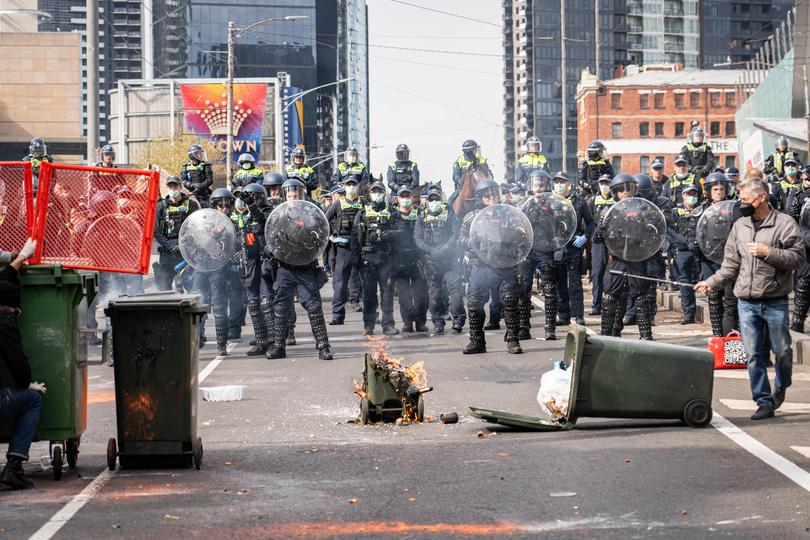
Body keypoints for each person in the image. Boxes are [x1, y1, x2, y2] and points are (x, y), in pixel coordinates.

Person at [696, 177, 805, 420]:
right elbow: (730, 266)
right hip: (746, 301)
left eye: (745, 199)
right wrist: (710, 283)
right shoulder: (740, 226)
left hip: (775, 300)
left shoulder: (785, 223)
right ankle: (763, 402)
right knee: (753, 353)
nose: (741, 203)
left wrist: (770, 253)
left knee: (783, 351)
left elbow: (798, 258)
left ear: (761, 197)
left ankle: (781, 384)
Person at [266, 179, 333, 360]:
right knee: (280, 306)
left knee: (313, 306)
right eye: (290, 194)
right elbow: (270, 236)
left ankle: (323, 346)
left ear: (301, 195)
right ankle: (279, 346)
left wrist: (310, 234)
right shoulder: (278, 215)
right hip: (285, 267)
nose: (293, 197)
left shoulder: (311, 214)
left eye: (296, 194)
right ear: (284, 196)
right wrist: (271, 247)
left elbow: (322, 234)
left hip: (305, 267)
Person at [0, 238, 46, 490]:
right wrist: (27, 384)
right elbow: (15, 359)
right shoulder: (4, 320)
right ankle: (14, 467)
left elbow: (3, 280)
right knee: (32, 400)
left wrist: (19, 259)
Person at [460, 178, 523, 354]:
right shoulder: (471, 217)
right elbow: (461, 239)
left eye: (494, 194)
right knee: (474, 301)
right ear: (480, 198)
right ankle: (477, 341)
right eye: (487, 195)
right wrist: (475, 243)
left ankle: (513, 340)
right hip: (481, 265)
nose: (492, 198)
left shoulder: (510, 214)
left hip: (505, 263)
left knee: (510, 300)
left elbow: (523, 235)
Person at [595, 174, 657, 340]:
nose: (625, 192)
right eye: (621, 190)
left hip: (637, 259)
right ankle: (607, 336)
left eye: (628, 188)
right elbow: (596, 238)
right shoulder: (607, 212)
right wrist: (602, 226)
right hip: (616, 259)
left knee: (641, 298)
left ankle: (646, 337)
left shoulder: (642, 209)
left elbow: (653, 234)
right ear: (616, 192)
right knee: (610, 298)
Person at [414, 185, 464, 334]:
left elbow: (456, 234)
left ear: (441, 200)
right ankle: (437, 321)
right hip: (431, 261)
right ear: (427, 201)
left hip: (450, 260)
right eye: (431, 199)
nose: (434, 201)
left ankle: (458, 320)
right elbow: (417, 238)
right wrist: (431, 250)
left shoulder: (449, 213)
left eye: (437, 199)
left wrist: (444, 249)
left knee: (455, 291)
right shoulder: (422, 216)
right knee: (435, 294)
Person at [192, 188, 236, 355]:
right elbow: (192, 238)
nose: (223, 208)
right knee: (197, 305)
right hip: (200, 266)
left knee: (219, 305)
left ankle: (221, 344)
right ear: (214, 205)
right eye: (220, 205)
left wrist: (222, 233)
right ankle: (197, 339)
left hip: (219, 268)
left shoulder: (231, 223)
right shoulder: (203, 221)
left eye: (226, 204)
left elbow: (232, 246)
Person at [352, 182, 398, 335]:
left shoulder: (392, 212)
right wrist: (355, 258)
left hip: (386, 260)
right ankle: (368, 325)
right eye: (374, 192)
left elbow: (402, 233)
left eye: (380, 191)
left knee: (387, 294)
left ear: (384, 194)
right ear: (370, 194)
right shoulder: (362, 213)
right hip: (367, 261)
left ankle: (388, 325)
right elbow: (354, 237)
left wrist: (392, 234)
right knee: (368, 294)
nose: (377, 194)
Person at [231, 183, 272, 356]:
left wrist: (253, 206)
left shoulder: (267, 211)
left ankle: (274, 341)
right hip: (248, 264)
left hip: (264, 262)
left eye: (251, 197)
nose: (246, 202)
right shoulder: (240, 217)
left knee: (267, 303)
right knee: (253, 303)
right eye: (245, 199)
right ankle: (261, 340)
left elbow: (264, 222)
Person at [518, 170, 558, 340]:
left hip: (546, 248)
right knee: (523, 288)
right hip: (527, 249)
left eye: (541, 184)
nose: (538, 188)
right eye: (535, 184)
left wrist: (559, 247)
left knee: (549, 288)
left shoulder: (554, 204)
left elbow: (561, 225)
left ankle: (550, 327)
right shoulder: (524, 204)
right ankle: (523, 327)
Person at [551, 171, 594, 326]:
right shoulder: (551, 202)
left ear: (568, 183)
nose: (559, 185)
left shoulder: (579, 201)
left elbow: (590, 223)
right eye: (556, 182)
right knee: (559, 282)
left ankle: (578, 315)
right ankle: (563, 315)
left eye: (562, 181)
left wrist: (585, 237)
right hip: (557, 248)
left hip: (574, 247)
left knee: (575, 283)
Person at [324, 175, 364, 324]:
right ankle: (337, 315)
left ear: (358, 187)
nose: (352, 187)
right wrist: (330, 238)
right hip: (344, 247)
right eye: (349, 185)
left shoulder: (364, 203)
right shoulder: (337, 204)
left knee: (366, 281)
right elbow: (323, 220)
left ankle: (371, 314)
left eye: (354, 184)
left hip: (361, 246)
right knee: (340, 282)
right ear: (344, 187)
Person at [698, 172, 732, 336]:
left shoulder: (734, 207)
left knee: (731, 301)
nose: (718, 192)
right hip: (709, 259)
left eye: (721, 189)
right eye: (715, 189)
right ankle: (718, 337)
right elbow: (693, 231)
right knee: (713, 297)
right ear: (709, 191)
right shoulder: (702, 209)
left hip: (729, 260)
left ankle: (732, 348)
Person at [392, 186, 429, 333]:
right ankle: (407, 322)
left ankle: (420, 321)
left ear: (413, 198)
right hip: (400, 259)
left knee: (421, 294)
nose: (405, 199)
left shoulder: (420, 213)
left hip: (418, 258)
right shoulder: (393, 215)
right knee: (404, 294)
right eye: (402, 196)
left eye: (408, 196)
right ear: (398, 199)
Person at [153, 177, 199, 291]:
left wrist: (185, 245)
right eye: (170, 186)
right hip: (168, 252)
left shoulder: (191, 205)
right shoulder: (161, 206)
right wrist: (171, 246)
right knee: (163, 287)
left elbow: (198, 228)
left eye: (175, 186)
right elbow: (156, 232)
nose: (173, 189)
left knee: (191, 285)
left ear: (180, 187)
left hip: (186, 252)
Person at [667, 184, 702, 325]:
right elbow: (669, 230)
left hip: (700, 248)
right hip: (683, 249)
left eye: (694, 194)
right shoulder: (676, 211)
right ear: (683, 196)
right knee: (684, 280)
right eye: (689, 194)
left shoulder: (703, 210)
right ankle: (689, 313)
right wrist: (685, 241)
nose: (692, 197)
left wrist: (697, 241)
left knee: (708, 277)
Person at [588, 174, 615, 315]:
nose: (605, 186)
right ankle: (596, 304)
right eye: (602, 183)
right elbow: (589, 221)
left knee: (611, 273)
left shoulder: (616, 200)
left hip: (612, 241)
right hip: (598, 241)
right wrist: (593, 235)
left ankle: (609, 304)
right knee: (597, 272)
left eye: (607, 183)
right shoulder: (593, 201)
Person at [180, 144, 214, 208]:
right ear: (191, 155)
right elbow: (182, 180)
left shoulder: (206, 165)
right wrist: (193, 185)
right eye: (198, 153)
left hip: (204, 193)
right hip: (190, 193)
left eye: (201, 153)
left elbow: (209, 180)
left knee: (210, 207)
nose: (201, 155)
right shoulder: (186, 166)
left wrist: (200, 186)